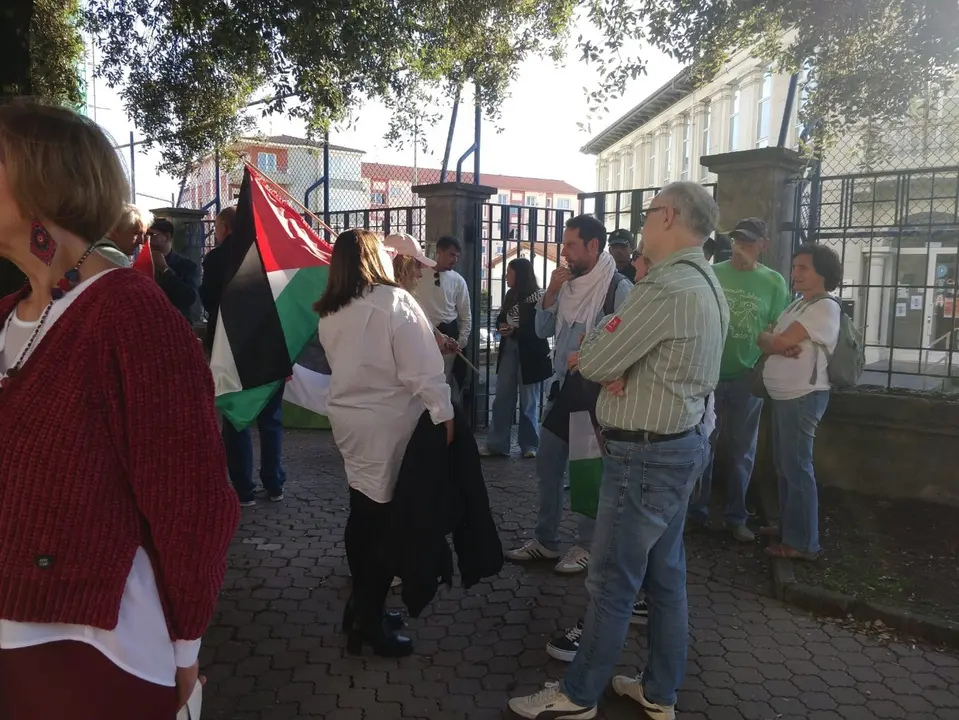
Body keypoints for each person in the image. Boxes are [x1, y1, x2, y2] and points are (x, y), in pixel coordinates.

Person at [0, 100, 239, 719]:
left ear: (43, 183)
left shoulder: (129, 313)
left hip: (89, 653)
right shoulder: (8, 314)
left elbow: (193, 501)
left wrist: (186, 646)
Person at [509, 181, 727, 720]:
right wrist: (611, 354)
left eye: (650, 213)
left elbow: (596, 359)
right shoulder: (706, 279)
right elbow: (605, 352)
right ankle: (658, 691)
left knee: (610, 579)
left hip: (645, 457)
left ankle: (578, 695)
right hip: (680, 445)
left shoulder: (665, 286)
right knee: (665, 576)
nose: (644, 223)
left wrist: (607, 357)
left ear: (669, 216)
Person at [316, 229, 454, 658]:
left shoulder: (332, 310)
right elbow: (423, 368)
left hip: (350, 424)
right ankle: (368, 620)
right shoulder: (393, 302)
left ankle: (361, 605)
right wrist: (444, 413)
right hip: (388, 427)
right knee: (382, 526)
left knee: (363, 513)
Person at [504, 214, 632, 575]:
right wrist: (551, 292)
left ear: (593, 246)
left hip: (593, 394)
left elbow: (628, 344)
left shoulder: (616, 288)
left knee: (586, 472)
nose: (564, 253)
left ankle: (587, 545)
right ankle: (546, 541)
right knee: (547, 463)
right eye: (563, 245)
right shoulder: (569, 287)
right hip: (562, 390)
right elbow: (543, 329)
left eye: (571, 246)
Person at [686, 217, 791, 542]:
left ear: (763, 245)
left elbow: (778, 328)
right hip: (709, 376)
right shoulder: (713, 273)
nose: (740, 248)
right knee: (704, 445)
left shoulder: (774, 283)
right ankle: (696, 513)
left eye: (748, 242)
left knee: (742, 450)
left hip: (748, 377)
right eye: (737, 241)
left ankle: (736, 517)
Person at [758, 244, 843, 561]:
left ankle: (803, 542)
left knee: (797, 469)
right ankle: (788, 527)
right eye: (794, 267)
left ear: (823, 273)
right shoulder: (797, 306)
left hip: (803, 398)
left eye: (803, 268)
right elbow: (764, 337)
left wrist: (775, 342)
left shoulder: (824, 308)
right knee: (785, 465)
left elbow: (775, 340)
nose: (795, 273)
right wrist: (773, 343)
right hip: (785, 398)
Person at [201, 206, 287, 507]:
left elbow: (208, 300)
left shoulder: (215, 259)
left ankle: (243, 489)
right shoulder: (269, 254)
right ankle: (274, 483)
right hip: (271, 345)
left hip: (231, 348)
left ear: (224, 226)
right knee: (271, 420)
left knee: (236, 419)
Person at [481, 258, 552, 458]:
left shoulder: (539, 296)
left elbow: (540, 327)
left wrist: (515, 330)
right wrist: (502, 327)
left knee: (529, 399)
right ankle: (497, 443)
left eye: (509, 273)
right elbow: (502, 317)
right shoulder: (510, 295)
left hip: (530, 353)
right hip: (509, 348)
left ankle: (530, 445)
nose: (505, 276)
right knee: (502, 396)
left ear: (519, 274)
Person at [413, 235, 471, 402]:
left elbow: (466, 315)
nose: (455, 260)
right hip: (423, 333)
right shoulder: (419, 276)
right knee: (421, 380)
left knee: (444, 381)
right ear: (439, 252)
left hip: (449, 335)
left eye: (457, 256)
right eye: (452, 254)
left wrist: (461, 341)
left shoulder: (459, 281)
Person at [148, 218, 202, 322]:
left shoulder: (188, 266)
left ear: (167, 237)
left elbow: (188, 299)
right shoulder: (142, 262)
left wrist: (165, 270)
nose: (146, 240)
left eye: (151, 235)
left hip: (177, 325)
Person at [95, 203, 152, 267]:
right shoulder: (118, 258)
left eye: (143, 234)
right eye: (136, 233)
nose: (141, 241)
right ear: (115, 230)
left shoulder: (89, 251)